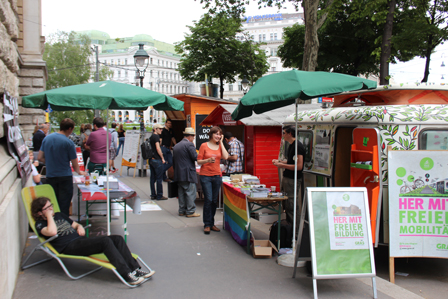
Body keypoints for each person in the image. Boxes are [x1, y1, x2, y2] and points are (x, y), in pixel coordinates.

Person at [31, 197, 154, 285]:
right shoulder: (40, 224)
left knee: (117, 238)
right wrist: (48, 217)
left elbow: (75, 224)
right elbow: (52, 232)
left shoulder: (59, 215)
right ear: (39, 212)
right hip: (69, 246)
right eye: (47, 208)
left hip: (80, 241)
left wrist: (79, 227)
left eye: (51, 206)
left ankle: (135, 269)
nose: (51, 209)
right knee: (105, 241)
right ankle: (126, 274)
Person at [38, 118, 86, 216]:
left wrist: (51, 161)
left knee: (53, 204)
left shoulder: (47, 138)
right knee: (64, 205)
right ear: (70, 129)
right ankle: (63, 225)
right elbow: (74, 162)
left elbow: (40, 157)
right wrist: (79, 172)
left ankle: (54, 225)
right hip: (65, 177)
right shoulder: (68, 143)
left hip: (50, 176)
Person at [272, 125, 305, 231]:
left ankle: (296, 232)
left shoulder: (298, 146)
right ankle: (290, 229)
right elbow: (291, 162)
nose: (283, 135)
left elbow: (299, 166)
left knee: (292, 205)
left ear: (290, 134)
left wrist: (282, 166)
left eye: (284, 133)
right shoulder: (291, 145)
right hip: (287, 178)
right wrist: (280, 162)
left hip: (293, 179)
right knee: (287, 204)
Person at [197, 126, 228, 234]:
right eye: (216, 134)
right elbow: (199, 161)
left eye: (220, 134)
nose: (218, 136)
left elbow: (226, 156)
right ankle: (206, 224)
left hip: (217, 176)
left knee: (214, 200)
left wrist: (222, 142)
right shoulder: (204, 145)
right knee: (209, 199)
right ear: (211, 134)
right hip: (205, 176)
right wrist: (208, 160)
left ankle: (211, 223)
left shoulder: (220, 145)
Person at [173, 127, 200, 217]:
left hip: (178, 173)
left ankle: (182, 210)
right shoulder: (189, 145)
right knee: (190, 192)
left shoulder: (177, 145)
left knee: (181, 193)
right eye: (193, 136)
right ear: (190, 137)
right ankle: (190, 211)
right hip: (188, 173)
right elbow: (195, 157)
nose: (193, 138)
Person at [149, 124, 167, 200]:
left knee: (152, 178)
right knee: (159, 178)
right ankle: (159, 195)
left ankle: (153, 194)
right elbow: (158, 148)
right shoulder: (156, 137)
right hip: (157, 159)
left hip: (151, 159)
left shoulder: (151, 137)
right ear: (155, 129)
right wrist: (162, 158)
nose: (161, 130)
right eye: (160, 129)